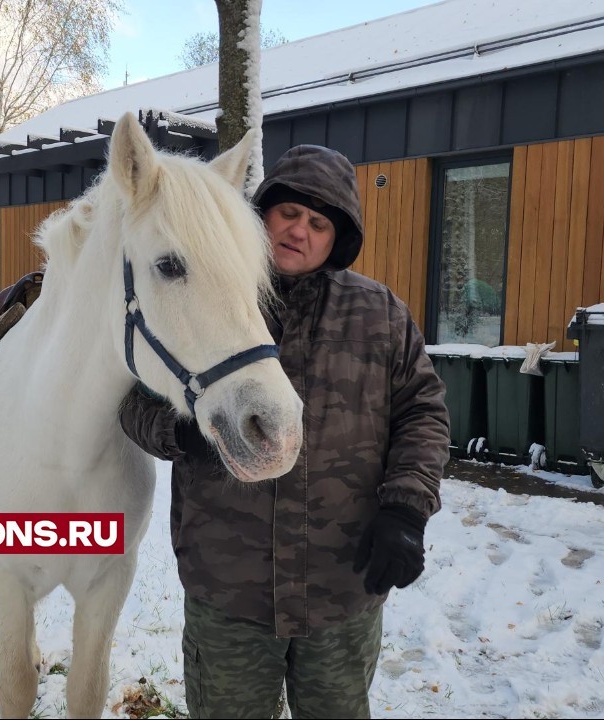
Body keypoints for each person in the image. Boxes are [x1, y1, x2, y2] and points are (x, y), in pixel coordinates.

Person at [118, 144, 450, 719]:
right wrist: (184, 431)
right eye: (289, 213)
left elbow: (423, 411)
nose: (300, 231)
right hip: (230, 591)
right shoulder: (205, 285)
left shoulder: (381, 316)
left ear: (336, 238)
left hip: (342, 588)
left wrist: (406, 509)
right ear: (262, 214)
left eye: (319, 223)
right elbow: (131, 400)